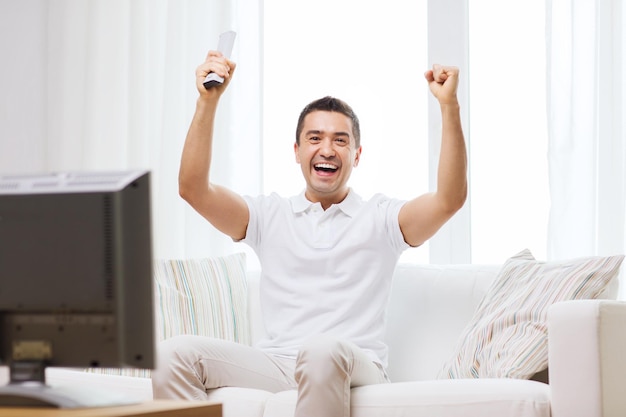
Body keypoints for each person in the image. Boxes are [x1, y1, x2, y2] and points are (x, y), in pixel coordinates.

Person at [151, 48, 467, 417]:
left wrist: (450, 107)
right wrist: (208, 101)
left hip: (354, 366)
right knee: (173, 354)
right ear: (298, 150)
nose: (327, 149)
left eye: (340, 140)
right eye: (315, 138)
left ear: (357, 154)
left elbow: (449, 199)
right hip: (279, 365)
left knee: (320, 350)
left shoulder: (382, 218)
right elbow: (192, 188)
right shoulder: (269, 216)